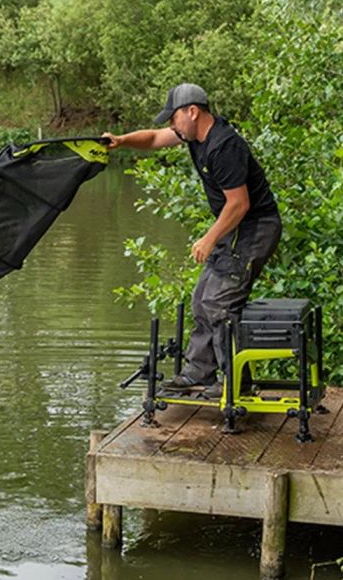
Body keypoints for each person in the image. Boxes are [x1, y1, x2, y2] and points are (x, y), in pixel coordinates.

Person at [103, 83, 281, 397]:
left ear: (193, 112)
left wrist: (209, 239)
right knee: (201, 298)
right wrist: (121, 140)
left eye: (174, 118)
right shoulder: (193, 135)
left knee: (220, 301)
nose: (172, 126)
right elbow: (154, 138)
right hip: (233, 227)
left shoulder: (224, 146)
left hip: (255, 228)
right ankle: (199, 371)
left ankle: (236, 382)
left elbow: (239, 204)